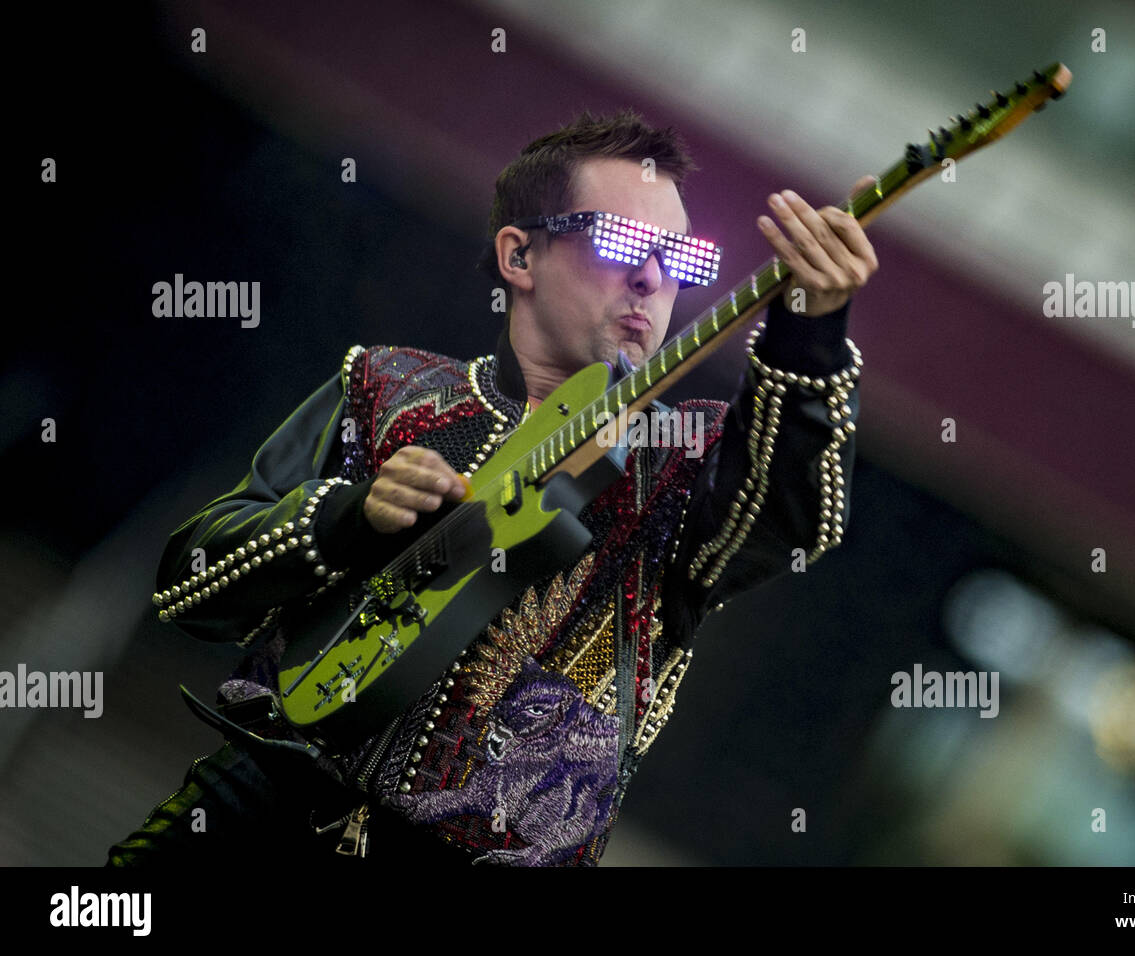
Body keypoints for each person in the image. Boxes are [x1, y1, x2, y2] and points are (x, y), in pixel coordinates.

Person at [108, 109, 878, 866]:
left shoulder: (686, 453)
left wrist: (809, 337)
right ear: (520, 256)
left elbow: (789, 521)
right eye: (621, 243)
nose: (652, 278)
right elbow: (189, 584)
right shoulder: (388, 384)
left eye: (681, 259)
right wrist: (351, 517)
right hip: (259, 797)